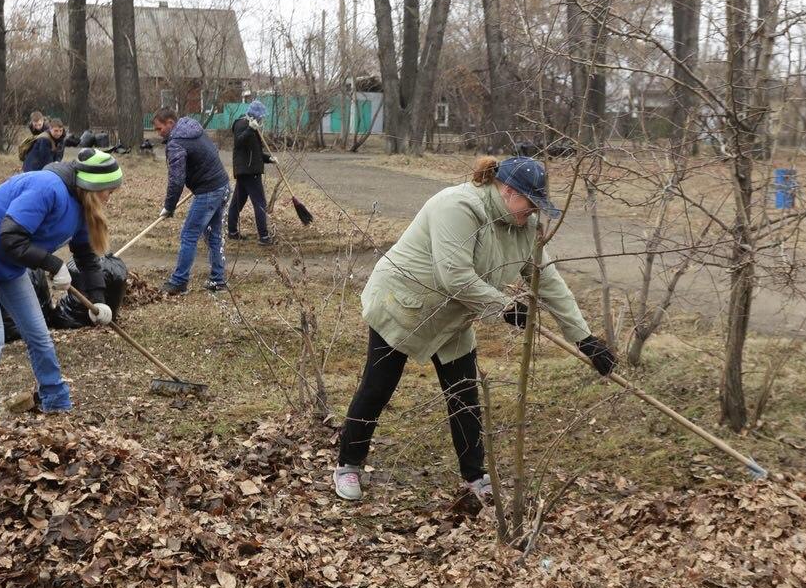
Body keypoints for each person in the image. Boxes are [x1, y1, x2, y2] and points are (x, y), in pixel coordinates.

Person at [332, 155, 616, 502]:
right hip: (404, 305)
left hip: (454, 316)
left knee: (465, 396)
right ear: (509, 191)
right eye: (531, 203)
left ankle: (475, 478)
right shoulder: (459, 207)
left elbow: (549, 281)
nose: (534, 212)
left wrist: (584, 338)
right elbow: (454, 275)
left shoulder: (524, 228)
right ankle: (348, 465)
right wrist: (504, 307)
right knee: (378, 386)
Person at [0, 149, 122, 426]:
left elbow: (87, 258)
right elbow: (11, 236)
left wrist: (99, 300)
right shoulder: (46, 188)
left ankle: (55, 399)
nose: (109, 197)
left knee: (38, 333)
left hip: (9, 264)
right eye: (107, 191)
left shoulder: (83, 206)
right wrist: (54, 264)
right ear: (91, 186)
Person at [153, 107, 232, 294]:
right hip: (223, 185)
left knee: (188, 235)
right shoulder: (194, 129)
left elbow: (176, 179)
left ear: (170, 123)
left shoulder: (176, 143)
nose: (158, 133)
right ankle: (218, 280)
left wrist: (169, 207)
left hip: (209, 191)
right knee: (213, 235)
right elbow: (213, 150)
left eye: (159, 128)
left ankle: (179, 282)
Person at [229, 100, 276, 245]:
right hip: (249, 171)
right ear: (255, 114)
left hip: (246, 170)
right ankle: (264, 237)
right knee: (260, 203)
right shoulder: (242, 124)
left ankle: (232, 232)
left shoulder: (252, 127)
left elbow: (255, 153)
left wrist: (269, 158)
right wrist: (250, 129)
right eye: (261, 116)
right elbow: (239, 142)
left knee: (237, 202)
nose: (262, 119)